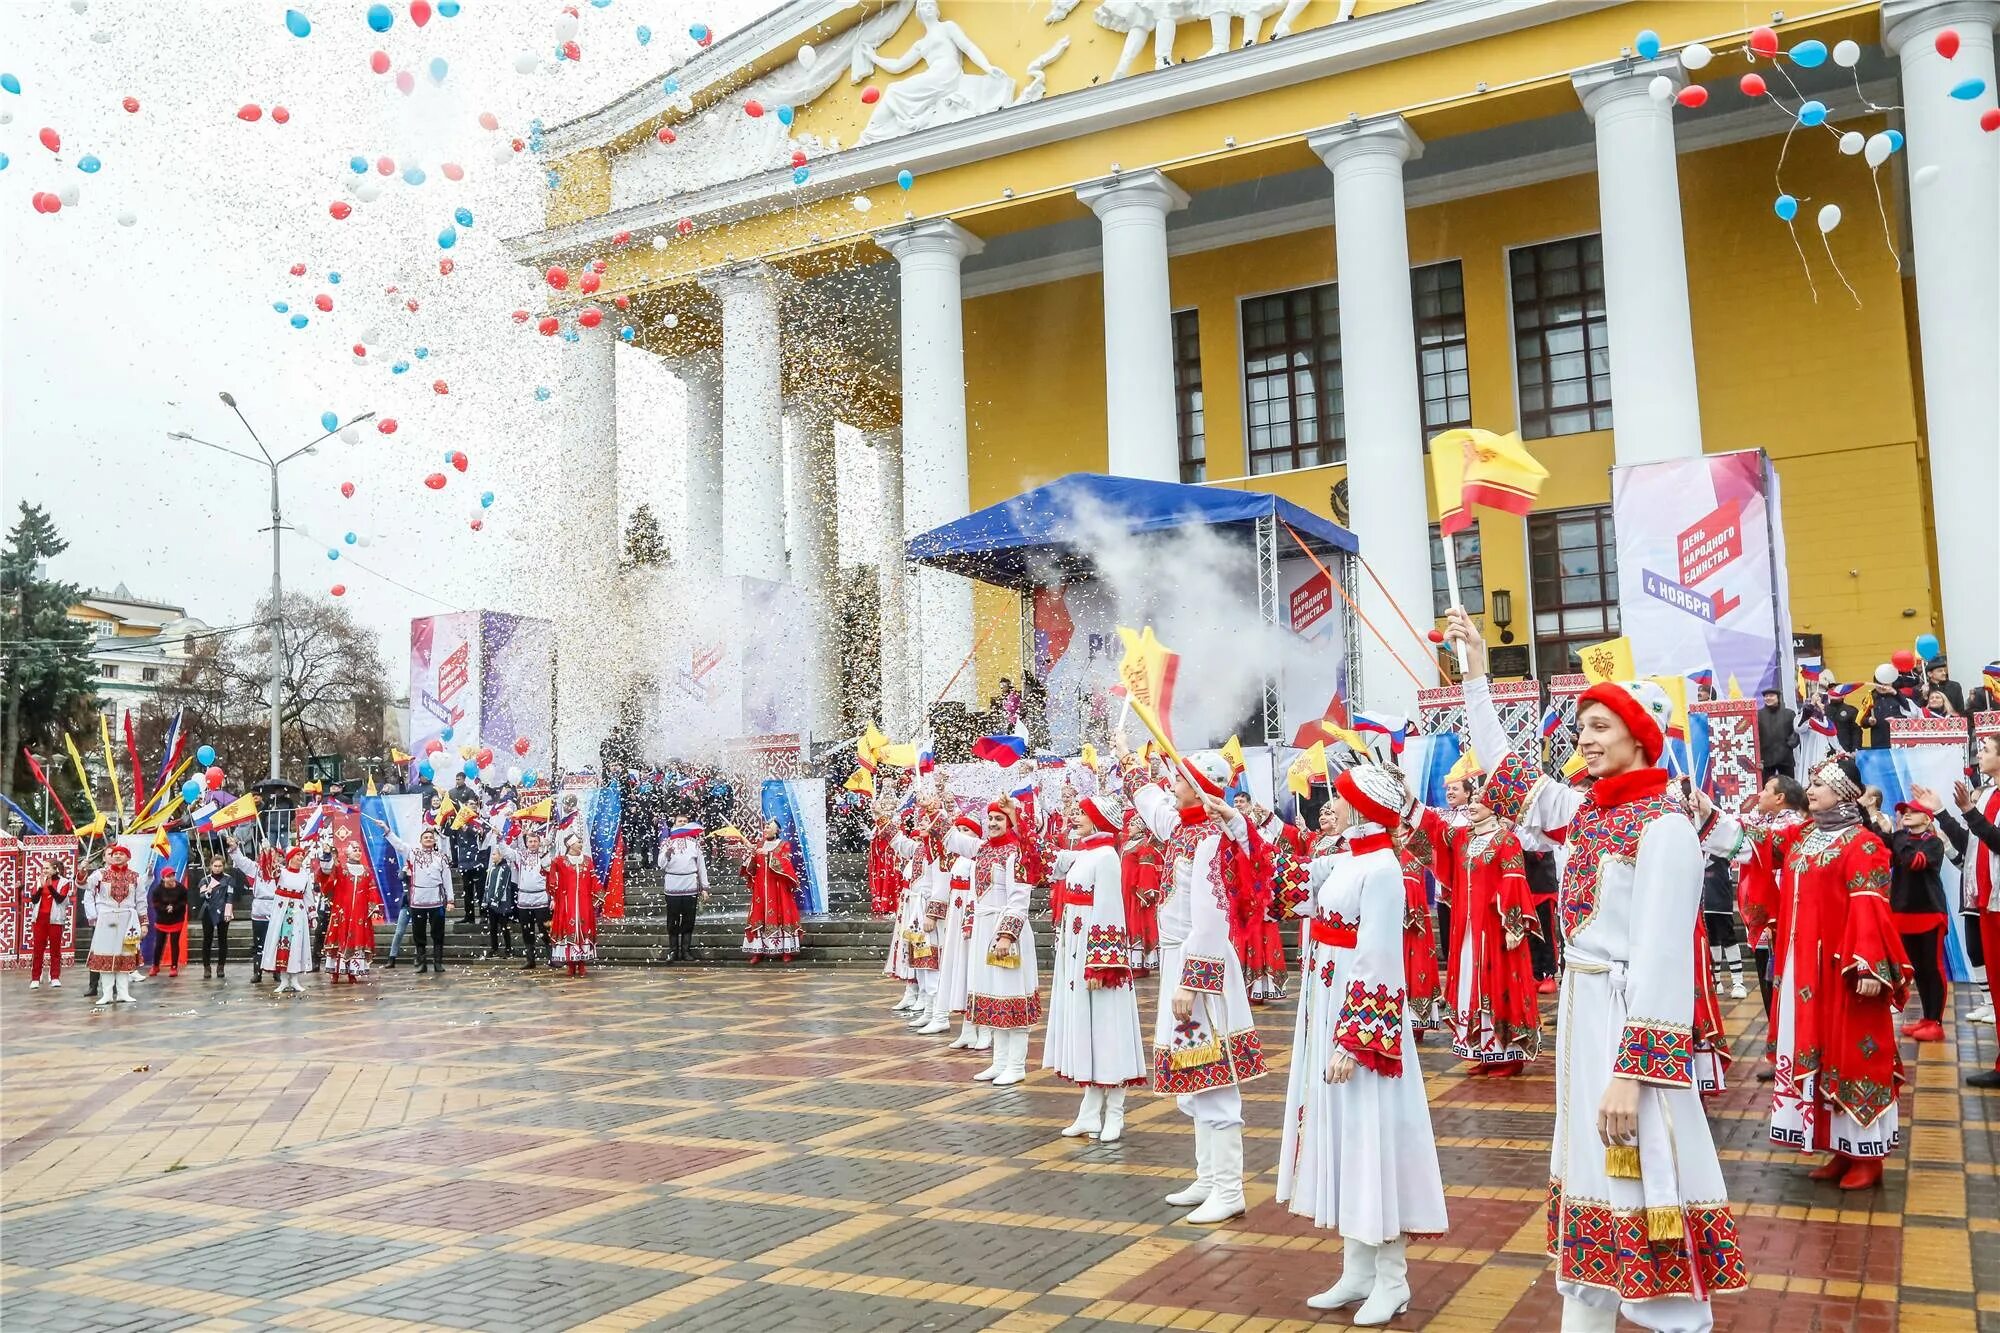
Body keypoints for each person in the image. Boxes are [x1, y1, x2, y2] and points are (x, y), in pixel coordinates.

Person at [1445, 608, 1746, 1329]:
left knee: (1648, 1186)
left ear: (1641, 735)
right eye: (1581, 726)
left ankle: (1679, 1317)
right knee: (1590, 1200)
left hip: (1628, 1034)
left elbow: (1666, 960)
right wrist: (1478, 675)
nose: (1585, 737)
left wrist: (1629, 1071)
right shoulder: (1582, 810)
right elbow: (1508, 768)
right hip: (1585, 1024)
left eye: (1601, 725)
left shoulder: (1667, 827)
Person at [1280, 762, 1447, 1324]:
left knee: (1374, 1136)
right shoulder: (1350, 860)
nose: (1333, 804)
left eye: (1342, 798)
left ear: (1362, 807)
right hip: (1327, 1011)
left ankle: (1392, 1278)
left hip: (1361, 1029)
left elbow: (1379, 959)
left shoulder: (1382, 870)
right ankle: (1357, 1268)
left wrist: (1354, 1043)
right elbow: (1294, 894)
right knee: (1346, 1136)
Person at [1714, 757, 1909, 1189]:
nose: (1812, 789)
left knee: (1853, 1051)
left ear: (1842, 793)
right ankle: (1837, 1147)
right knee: (1817, 1052)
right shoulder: (1803, 837)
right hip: (1802, 968)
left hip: (1844, 968)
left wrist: (1870, 964)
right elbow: (1755, 843)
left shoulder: (1862, 844)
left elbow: (1870, 904)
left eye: (1819, 783)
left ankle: (1867, 1157)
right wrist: (1706, 814)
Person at [1121, 742, 1268, 1228]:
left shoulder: (1210, 838)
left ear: (1201, 788)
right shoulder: (1184, 830)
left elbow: (1211, 918)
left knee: (1214, 1076)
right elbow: (1151, 801)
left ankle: (1230, 1188)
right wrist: (1128, 758)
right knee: (1195, 1072)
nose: (1172, 784)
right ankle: (1208, 1178)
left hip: (1198, 970)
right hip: (1178, 964)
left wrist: (1190, 981)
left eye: (1180, 779)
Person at [1415, 774, 1542, 1078]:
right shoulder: (1463, 840)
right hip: (1467, 928)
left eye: (1479, 800)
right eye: (1471, 800)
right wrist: (1407, 800)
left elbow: (1514, 879)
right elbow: (1432, 829)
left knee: (1498, 983)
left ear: (1496, 807)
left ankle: (1508, 1055)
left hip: (1496, 929)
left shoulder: (1506, 840)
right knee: (1471, 983)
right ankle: (1485, 1050)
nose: (1473, 804)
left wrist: (1513, 924)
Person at [1044, 794, 1148, 1142]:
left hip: (1097, 959)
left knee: (1107, 1027)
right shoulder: (1086, 854)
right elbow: (1045, 862)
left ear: (1099, 819)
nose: (1075, 818)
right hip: (1076, 955)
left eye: (1082, 814)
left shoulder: (1105, 857)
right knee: (1088, 1029)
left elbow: (1109, 910)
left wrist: (1102, 964)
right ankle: (1090, 1111)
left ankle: (1115, 1111)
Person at [964, 796, 1041, 1087]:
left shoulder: (1016, 853)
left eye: (999, 819)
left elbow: (1019, 897)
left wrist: (1007, 934)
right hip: (985, 929)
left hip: (1007, 931)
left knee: (1010, 993)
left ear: (1010, 821)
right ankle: (999, 1062)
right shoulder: (982, 850)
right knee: (992, 992)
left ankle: (1016, 1064)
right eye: (991, 818)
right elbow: (951, 839)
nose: (993, 823)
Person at [1738, 776, 1810, 1081]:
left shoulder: (1789, 826)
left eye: (1767, 789)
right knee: (1771, 987)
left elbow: (1752, 841)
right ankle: (1781, 1050)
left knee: (1779, 987)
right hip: (1773, 918)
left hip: (1784, 918)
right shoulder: (1769, 821)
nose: (1761, 793)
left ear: (1780, 798)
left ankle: (1788, 1051)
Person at [1890, 800, 1951, 1043]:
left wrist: (1897, 835)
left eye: (1914, 812)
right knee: (1919, 970)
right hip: (1903, 913)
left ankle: (1935, 1022)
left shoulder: (1933, 843)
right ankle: (1926, 1019)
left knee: (1932, 968)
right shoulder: (1901, 840)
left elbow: (1914, 862)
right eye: (1905, 811)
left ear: (1927, 819)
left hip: (1929, 913)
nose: (1907, 814)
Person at [892, 798, 948, 1027]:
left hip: (928, 910)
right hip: (916, 910)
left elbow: (942, 884)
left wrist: (932, 914)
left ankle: (939, 1014)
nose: (923, 823)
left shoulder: (940, 851)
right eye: (922, 820)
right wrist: (880, 816)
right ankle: (926, 1005)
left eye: (928, 820)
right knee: (921, 959)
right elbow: (897, 842)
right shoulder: (918, 849)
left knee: (931, 959)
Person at [938, 812, 986, 1050]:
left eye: (966, 831)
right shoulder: (958, 860)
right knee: (961, 971)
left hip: (971, 919)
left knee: (974, 970)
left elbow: (978, 893)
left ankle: (984, 1029)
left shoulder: (978, 858)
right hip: (956, 921)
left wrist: (969, 920)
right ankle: (968, 1028)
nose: (961, 835)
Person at [383, 823, 454, 974]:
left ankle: (438, 962)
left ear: (434, 841)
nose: (428, 839)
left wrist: (451, 900)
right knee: (418, 933)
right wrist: (387, 830)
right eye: (425, 837)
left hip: (436, 899)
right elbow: (399, 845)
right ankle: (422, 963)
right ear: (421, 841)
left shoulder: (441, 857)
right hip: (418, 901)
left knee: (438, 932)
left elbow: (447, 879)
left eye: (430, 837)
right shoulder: (413, 853)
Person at [87, 845, 148, 1005]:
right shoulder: (100, 874)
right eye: (115, 854)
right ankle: (107, 993)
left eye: (122, 853)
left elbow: (141, 901)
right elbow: (85, 886)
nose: (118, 856)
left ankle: (123, 992)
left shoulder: (136, 877)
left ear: (128, 857)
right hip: (107, 918)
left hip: (129, 920)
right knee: (105, 954)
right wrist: (82, 871)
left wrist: (144, 923)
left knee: (126, 954)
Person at [739, 820, 802, 963]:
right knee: (758, 914)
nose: (766, 829)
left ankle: (786, 951)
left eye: (769, 827)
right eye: (765, 827)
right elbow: (752, 866)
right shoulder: (760, 844)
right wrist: (750, 854)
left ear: (777, 830)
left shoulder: (783, 845)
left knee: (782, 913)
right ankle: (758, 951)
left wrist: (769, 854)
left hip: (778, 886)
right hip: (761, 887)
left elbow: (786, 863)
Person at [318, 843, 382, 984]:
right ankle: (335, 972)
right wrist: (328, 855)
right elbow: (327, 872)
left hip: (360, 913)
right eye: (354, 849)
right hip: (342, 912)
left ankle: (352, 972)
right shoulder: (341, 869)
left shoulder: (366, 871)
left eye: (359, 850)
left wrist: (373, 907)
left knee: (356, 938)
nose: (358, 852)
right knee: (339, 939)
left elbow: (372, 889)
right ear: (347, 853)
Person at [261, 845, 318, 995]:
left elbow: (308, 897)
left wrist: (312, 915)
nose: (301, 857)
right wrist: (268, 852)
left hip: (298, 912)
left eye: (302, 855)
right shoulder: (282, 872)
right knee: (281, 943)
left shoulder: (305, 876)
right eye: (298, 855)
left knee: (296, 944)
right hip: (282, 912)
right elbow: (269, 870)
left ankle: (295, 979)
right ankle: (284, 980)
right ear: (291, 857)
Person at [500, 831, 552, 970]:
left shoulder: (544, 854)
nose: (533, 844)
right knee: (526, 930)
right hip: (524, 899)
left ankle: (552, 957)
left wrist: (546, 849)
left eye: (535, 841)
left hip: (540, 898)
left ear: (539, 842)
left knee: (545, 929)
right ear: (526, 843)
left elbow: (550, 867)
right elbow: (506, 852)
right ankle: (530, 960)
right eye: (530, 841)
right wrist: (500, 838)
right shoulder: (520, 855)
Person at [548, 832, 598, 976]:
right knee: (569, 929)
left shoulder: (588, 861)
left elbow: (594, 880)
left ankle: (581, 964)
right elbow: (550, 877)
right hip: (567, 902)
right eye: (578, 843)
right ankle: (570, 964)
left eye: (581, 843)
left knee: (583, 930)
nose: (581, 845)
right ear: (570, 845)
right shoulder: (560, 861)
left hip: (584, 902)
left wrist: (598, 897)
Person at [659, 823, 708, 963]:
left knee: (688, 920)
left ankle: (686, 950)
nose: (681, 824)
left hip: (690, 885)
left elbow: (701, 866)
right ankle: (673, 950)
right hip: (672, 886)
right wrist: (667, 854)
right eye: (679, 821)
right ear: (674, 825)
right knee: (672, 920)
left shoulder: (694, 844)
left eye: (684, 822)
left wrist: (705, 887)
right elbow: (660, 863)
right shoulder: (667, 843)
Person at [1700, 854, 1748, 1000]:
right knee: (1712, 939)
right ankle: (1716, 980)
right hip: (1704, 898)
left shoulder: (1721, 839)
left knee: (1728, 938)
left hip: (1721, 896)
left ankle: (1738, 982)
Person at [190, 851, 238, 981]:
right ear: (211, 866)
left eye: (220, 866)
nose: (217, 868)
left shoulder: (228, 879)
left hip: (223, 911)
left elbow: (230, 895)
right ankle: (206, 967)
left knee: (223, 939)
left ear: (224, 866)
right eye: (215, 866)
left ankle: (221, 966)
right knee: (207, 939)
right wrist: (208, 891)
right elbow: (201, 896)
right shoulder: (205, 880)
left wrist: (228, 911)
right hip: (208, 911)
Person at [26, 863, 72, 990]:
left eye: (47, 868)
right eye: (43, 868)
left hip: (55, 920)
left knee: (55, 950)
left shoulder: (64, 882)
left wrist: (50, 886)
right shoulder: (39, 880)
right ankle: (36, 977)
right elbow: (34, 900)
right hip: (39, 919)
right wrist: (41, 887)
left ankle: (55, 977)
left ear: (55, 869)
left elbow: (60, 899)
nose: (44, 870)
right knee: (38, 949)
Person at [149, 867, 190, 978]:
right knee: (159, 944)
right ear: (163, 878)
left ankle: (174, 967)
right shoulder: (158, 890)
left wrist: (174, 908)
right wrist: (165, 908)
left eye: (172, 875)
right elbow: (155, 904)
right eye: (168, 876)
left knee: (174, 943)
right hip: (162, 919)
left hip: (176, 919)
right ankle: (155, 965)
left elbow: (184, 902)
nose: (171, 878)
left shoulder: (181, 889)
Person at [1757, 687, 1798, 783]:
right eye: (1766, 696)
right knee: (1767, 786)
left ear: (1778, 697)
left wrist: (1790, 744)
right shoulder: (1758, 715)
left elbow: (1796, 731)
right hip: (1766, 758)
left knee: (1789, 785)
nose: (1768, 698)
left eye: (1771, 696)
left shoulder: (1789, 713)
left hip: (1785, 757)